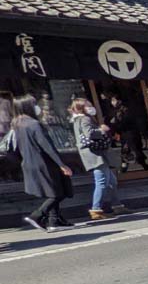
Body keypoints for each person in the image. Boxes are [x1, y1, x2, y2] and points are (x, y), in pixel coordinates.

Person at [14, 94, 73, 232]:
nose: (37, 107)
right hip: (44, 162)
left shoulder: (17, 125)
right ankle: (37, 215)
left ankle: (54, 220)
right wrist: (62, 164)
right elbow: (46, 146)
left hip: (30, 162)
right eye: (34, 104)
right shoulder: (34, 124)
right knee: (58, 192)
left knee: (53, 189)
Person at [70, 98, 122, 220]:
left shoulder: (78, 119)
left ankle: (117, 205)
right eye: (88, 105)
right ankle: (96, 209)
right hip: (96, 155)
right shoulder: (85, 119)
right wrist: (102, 130)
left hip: (94, 154)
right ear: (82, 108)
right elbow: (90, 134)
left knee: (112, 181)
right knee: (102, 182)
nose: (91, 107)